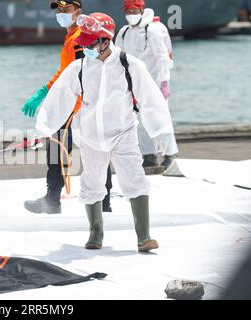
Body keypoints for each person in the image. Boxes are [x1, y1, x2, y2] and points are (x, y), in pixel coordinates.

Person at [36, 12, 176, 252]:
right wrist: (45, 127)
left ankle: (144, 236)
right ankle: (95, 232)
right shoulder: (79, 67)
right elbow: (59, 97)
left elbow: (149, 97)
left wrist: (159, 129)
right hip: (90, 134)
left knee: (134, 177)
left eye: (90, 43)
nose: (86, 48)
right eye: (84, 44)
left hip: (123, 131)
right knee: (92, 182)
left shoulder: (128, 64)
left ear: (104, 40)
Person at [22, 0, 112, 214]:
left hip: (79, 106)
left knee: (81, 151)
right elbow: (66, 72)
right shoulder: (71, 37)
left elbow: (83, 72)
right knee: (65, 149)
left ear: (78, 12)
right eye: (58, 10)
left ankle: (60, 201)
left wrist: (56, 96)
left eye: (66, 10)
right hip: (73, 103)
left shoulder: (81, 37)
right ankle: (56, 200)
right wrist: (44, 91)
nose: (61, 14)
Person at [115, 0, 178, 168]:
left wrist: (164, 83)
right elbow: (117, 58)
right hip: (134, 85)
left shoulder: (154, 30)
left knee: (161, 118)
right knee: (140, 121)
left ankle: (169, 153)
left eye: (134, 10)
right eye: (127, 10)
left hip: (155, 83)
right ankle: (148, 154)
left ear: (142, 9)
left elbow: (163, 58)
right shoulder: (123, 32)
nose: (130, 14)